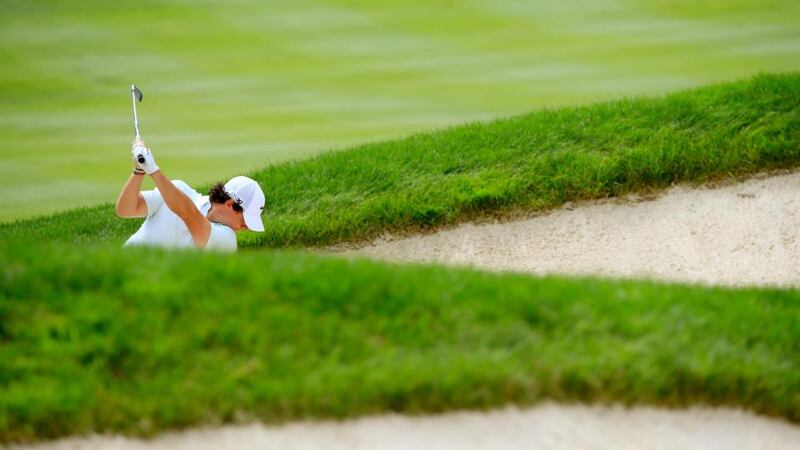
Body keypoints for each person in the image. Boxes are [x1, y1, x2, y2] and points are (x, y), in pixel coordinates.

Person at [115, 140, 265, 252]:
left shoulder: (228, 242)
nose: (245, 228)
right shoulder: (178, 189)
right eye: (245, 221)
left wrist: (153, 170)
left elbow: (190, 215)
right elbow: (125, 209)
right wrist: (139, 170)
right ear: (230, 204)